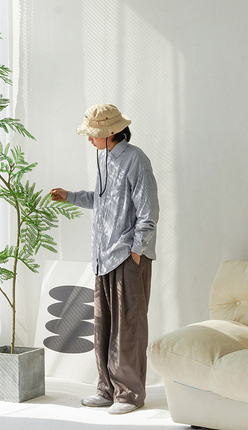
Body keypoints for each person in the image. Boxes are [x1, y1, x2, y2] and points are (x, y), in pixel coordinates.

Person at [50, 103, 159, 415]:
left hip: (127, 256)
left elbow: (149, 208)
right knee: (104, 326)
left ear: (111, 132)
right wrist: (70, 196)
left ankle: (129, 394)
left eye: (93, 134)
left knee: (129, 327)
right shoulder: (103, 157)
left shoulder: (136, 159)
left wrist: (137, 249)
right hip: (102, 255)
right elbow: (100, 200)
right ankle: (107, 389)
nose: (89, 139)